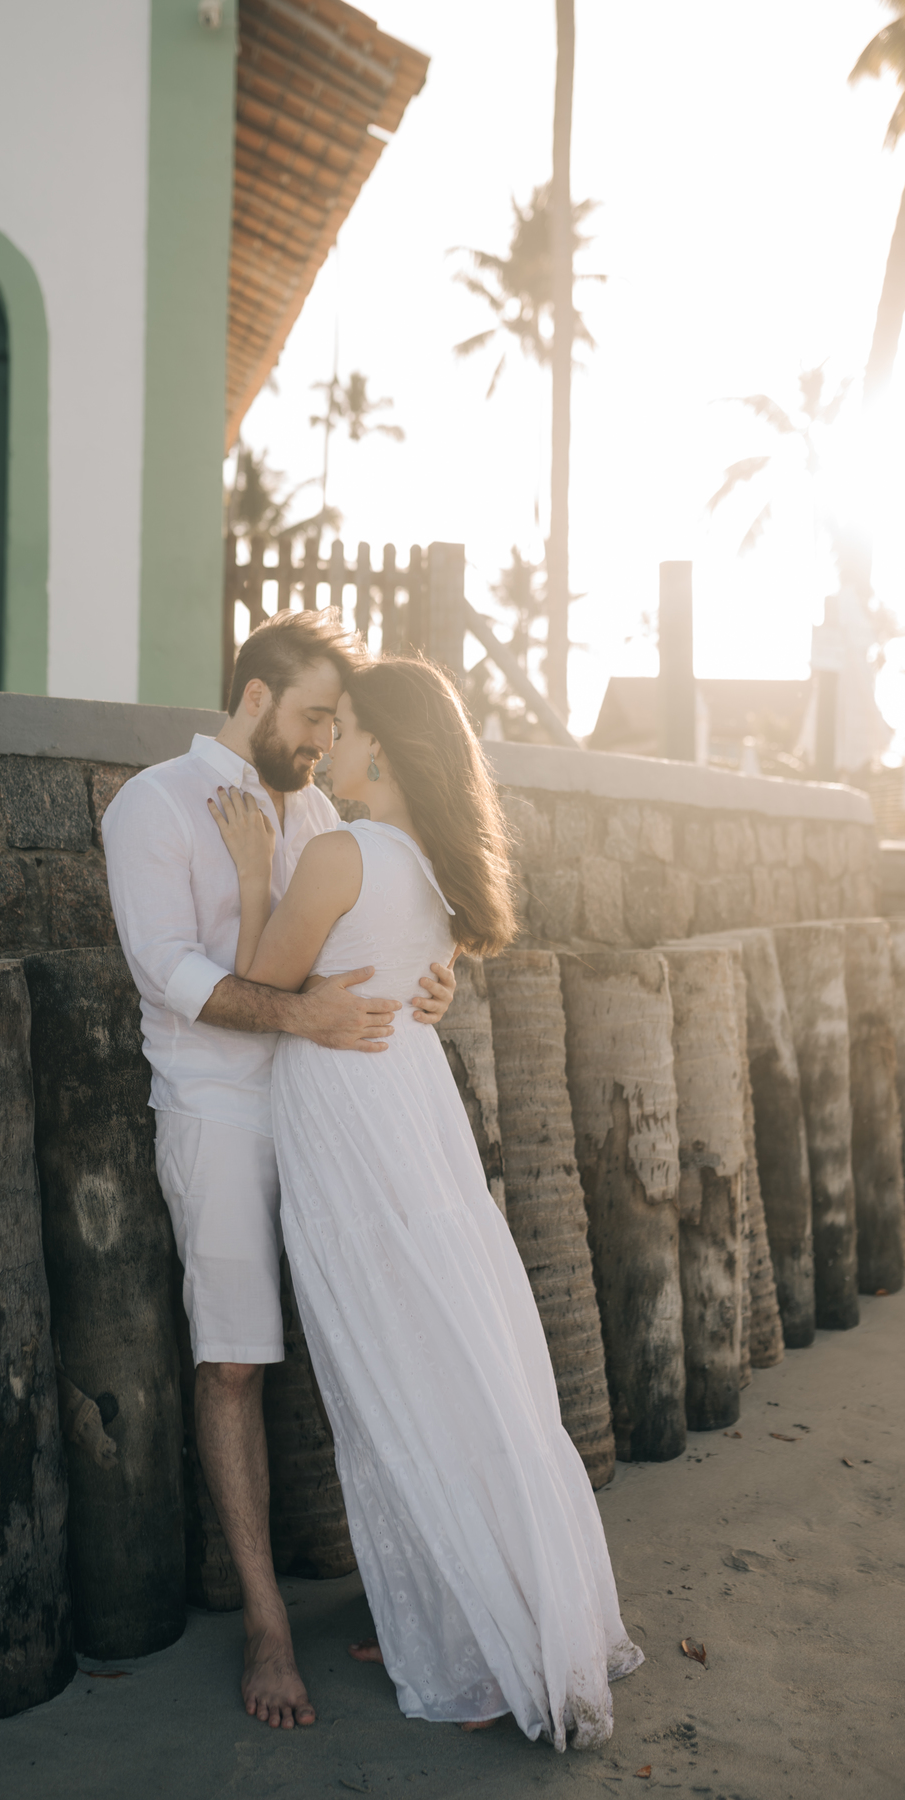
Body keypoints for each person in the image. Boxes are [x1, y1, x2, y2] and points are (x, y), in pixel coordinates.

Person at [208, 655, 643, 1750]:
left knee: (391, 1365)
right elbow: (418, 976)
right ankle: (456, 1611)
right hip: (407, 1120)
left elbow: (258, 982)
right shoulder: (431, 871)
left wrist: (258, 866)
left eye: (347, 728)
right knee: (442, 1357)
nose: (332, 745)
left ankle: (480, 1646)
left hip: (353, 1131)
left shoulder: (340, 854)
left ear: (387, 754)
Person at [101, 611, 457, 1731]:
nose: (321, 741)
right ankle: (265, 1625)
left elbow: (366, 932)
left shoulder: (320, 808)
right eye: (310, 717)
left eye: (333, 726)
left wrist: (433, 982)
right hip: (217, 1115)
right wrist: (302, 1009)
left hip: (336, 1108)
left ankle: (424, 1599)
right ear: (255, 696)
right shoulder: (151, 805)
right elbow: (174, 976)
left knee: (391, 1335)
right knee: (238, 1363)